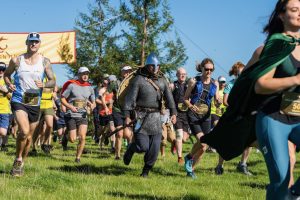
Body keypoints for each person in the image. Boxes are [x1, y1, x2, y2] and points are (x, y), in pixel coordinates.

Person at [202, 0, 300, 199]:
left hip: (296, 116)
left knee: (287, 184)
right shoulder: (277, 44)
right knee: (281, 179)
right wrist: (296, 79)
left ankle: (294, 194)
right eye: (295, 10)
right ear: (281, 15)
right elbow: (259, 84)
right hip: (273, 119)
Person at [4, 32, 56, 176]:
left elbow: (52, 81)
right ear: (26, 43)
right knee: (24, 130)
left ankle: (21, 163)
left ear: (39, 44)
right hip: (19, 99)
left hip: (34, 102)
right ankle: (18, 159)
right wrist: (9, 84)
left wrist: (45, 85)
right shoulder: (17, 60)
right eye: (31, 41)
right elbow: (6, 75)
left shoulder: (45, 61)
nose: (33, 44)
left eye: (36, 42)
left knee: (28, 138)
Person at [123, 52, 177, 177]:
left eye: (157, 66)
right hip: (141, 117)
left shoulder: (162, 81)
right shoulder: (138, 80)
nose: (155, 68)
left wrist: (173, 112)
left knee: (154, 149)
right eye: (152, 65)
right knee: (142, 146)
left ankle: (145, 172)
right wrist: (127, 116)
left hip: (156, 118)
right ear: (147, 65)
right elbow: (130, 99)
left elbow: (170, 99)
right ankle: (131, 148)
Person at [214, 63, 252, 176]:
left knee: (248, 141)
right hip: (232, 115)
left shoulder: (248, 84)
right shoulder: (230, 85)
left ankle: (242, 164)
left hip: (245, 116)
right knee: (226, 141)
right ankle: (220, 166)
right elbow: (225, 101)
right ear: (236, 74)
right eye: (240, 73)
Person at [183, 58, 219, 179]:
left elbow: (217, 100)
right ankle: (189, 157)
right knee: (202, 140)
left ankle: (191, 170)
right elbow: (185, 99)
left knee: (204, 147)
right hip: (193, 115)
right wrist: (191, 106)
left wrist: (219, 101)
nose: (209, 71)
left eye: (211, 69)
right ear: (202, 68)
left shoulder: (215, 84)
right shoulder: (194, 82)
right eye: (206, 69)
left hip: (206, 117)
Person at [61, 67, 95, 163]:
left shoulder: (90, 87)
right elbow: (62, 98)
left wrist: (92, 105)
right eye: (83, 74)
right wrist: (70, 107)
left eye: (87, 74)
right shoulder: (72, 86)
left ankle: (78, 158)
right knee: (72, 139)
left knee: (82, 137)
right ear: (79, 75)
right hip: (71, 114)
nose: (85, 76)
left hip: (82, 115)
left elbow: (93, 101)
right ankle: (65, 138)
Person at [112, 66, 133, 160]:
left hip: (128, 111)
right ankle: (117, 155)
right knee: (119, 133)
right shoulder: (115, 83)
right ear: (121, 73)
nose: (127, 73)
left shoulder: (133, 83)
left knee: (128, 135)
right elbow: (107, 93)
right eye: (125, 72)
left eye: (129, 72)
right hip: (117, 110)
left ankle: (128, 154)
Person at [172, 67, 190, 164]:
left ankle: (175, 143)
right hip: (177, 113)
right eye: (180, 74)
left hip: (186, 114)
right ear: (177, 75)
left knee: (184, 138)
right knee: (179, 135)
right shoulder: (174, 85)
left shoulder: (189, 86)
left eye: (184, 74)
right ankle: (180, 157)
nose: (183, 75)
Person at [0, 62, 12, 152]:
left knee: (3, 132)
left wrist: (6, 91)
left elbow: (13, 97)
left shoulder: (8, 81)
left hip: (5, 110)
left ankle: (4, 144)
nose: (1, 71)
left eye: (3, 70)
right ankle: (3, 146)